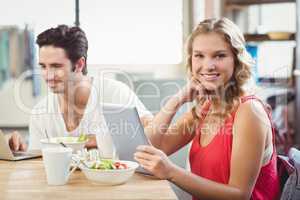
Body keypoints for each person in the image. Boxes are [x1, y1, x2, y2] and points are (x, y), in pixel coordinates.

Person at [134, 18, 280, 200]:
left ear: (236, 59)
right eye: (199, 55)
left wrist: (171, 172)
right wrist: (177, 99)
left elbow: (239, 195)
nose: (208, 65)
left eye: (219, 55)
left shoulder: (249, 111)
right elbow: (151, 146)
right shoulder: (205, 108)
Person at [8, 25, 152, 157]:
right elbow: (39, 162)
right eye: (43, 66)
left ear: (79, 64)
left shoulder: (115, 93)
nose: (47, 75)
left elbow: (153, 130)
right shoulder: (39, 113)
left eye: (56, 66)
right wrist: (20, 152)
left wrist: (103, 139)